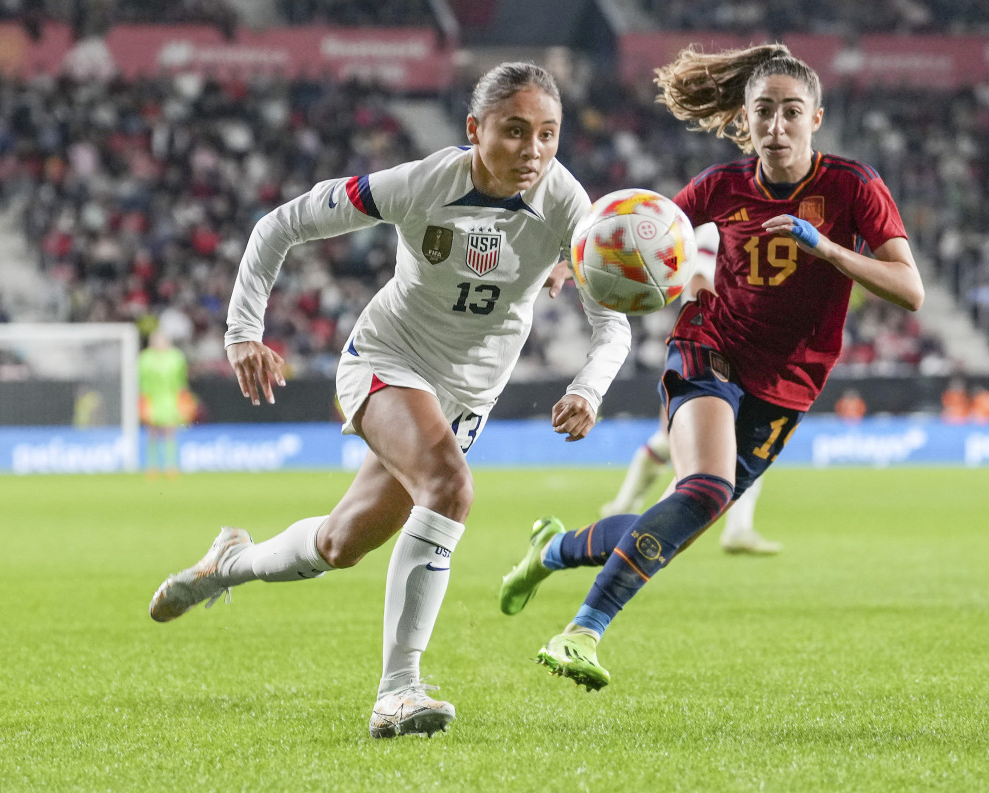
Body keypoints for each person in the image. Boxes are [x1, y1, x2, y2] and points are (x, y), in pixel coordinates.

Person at [147, 63, 631, 737]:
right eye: (515, 131)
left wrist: (588, 386)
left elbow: (614, 321)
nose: (533, 150)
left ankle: (230, 561)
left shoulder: (569, 206)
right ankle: (398, 690)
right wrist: (242, 331)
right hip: (385, 360)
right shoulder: (421, 183)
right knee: (449, 485)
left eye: (547, 134)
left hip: (465, 396)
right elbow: (280, 224)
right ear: (474, 129)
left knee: (340, 543)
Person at [499, 43, 924, 691]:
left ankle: (553, 549)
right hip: (710, 347)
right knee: (705, 489)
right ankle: (581, 631)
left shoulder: (851, 186)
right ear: (745, 121)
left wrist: (829, 249)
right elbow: (638, 226)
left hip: (790, 381)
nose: (776, 126)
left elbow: (909, 288)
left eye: (790, 112)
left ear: (816, 118)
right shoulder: (721, 186)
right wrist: (576, 255)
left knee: (681, 520)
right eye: (763, 112)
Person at [599, 223, 782, 556]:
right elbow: (698, 280)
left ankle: (623, 507)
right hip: (711, 348)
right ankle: (625, 514)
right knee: (699, 442)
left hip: (727, 347)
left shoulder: (743, 229)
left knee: (726, 444)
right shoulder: (718, 229)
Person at [138, 330, 191, 477]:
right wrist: (143, 401)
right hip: (152, 399)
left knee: (170, 432)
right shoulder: (145, 358)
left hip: (171, 399)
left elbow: (181, 381)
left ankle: (171, 466)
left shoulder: (176, 357)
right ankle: (151, 466)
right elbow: (142, 382)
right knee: (152, 433)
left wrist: (183, 400)